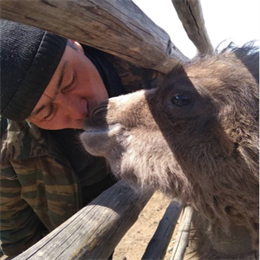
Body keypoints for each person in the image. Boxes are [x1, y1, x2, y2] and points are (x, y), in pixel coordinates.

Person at [0, 19, 164, 258]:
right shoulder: (9, 148)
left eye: (70, 80)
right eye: (46, 113)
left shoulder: (150, 74)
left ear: (75, 44)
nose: (78, 112)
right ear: (28, 121)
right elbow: (17, 234)